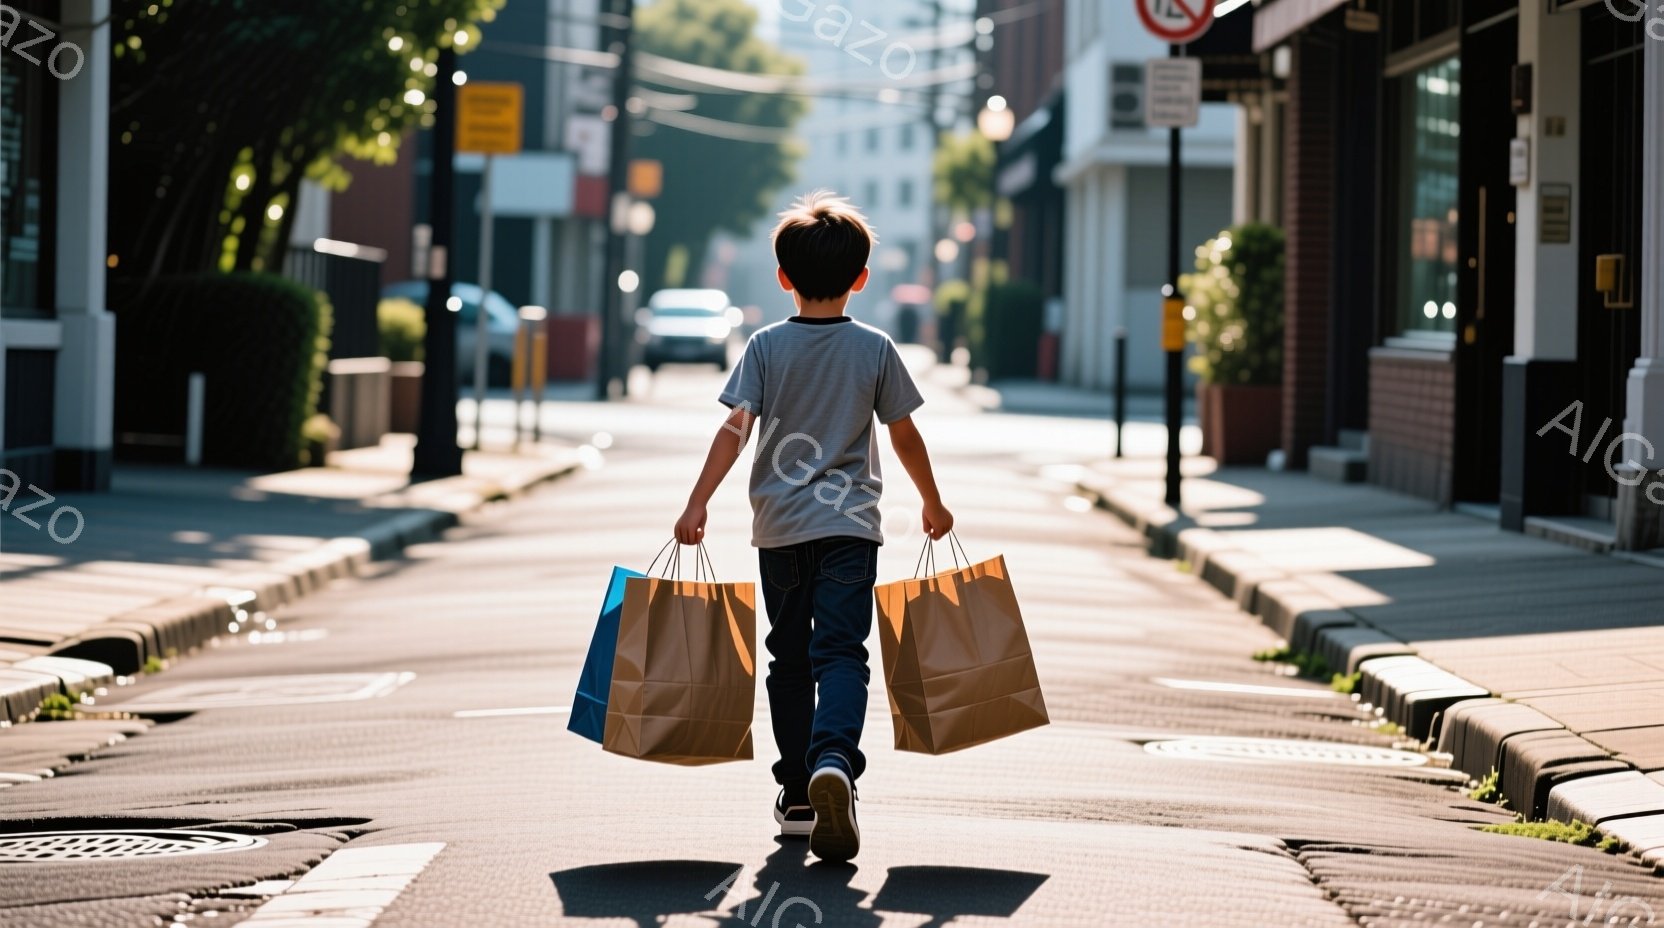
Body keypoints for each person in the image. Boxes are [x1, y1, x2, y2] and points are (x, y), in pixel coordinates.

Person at [673, 190, 954, 863]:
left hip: (780, 530)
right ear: (861, 278)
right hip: (852, 530)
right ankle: (834, 759)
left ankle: (798, 790)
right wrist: (933, 502)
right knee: (843, 653)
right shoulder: (875, 350)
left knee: (789, 657)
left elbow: (733, 431)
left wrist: (697, 503)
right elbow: (906, 435)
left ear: (782, 277)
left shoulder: (766, 347)